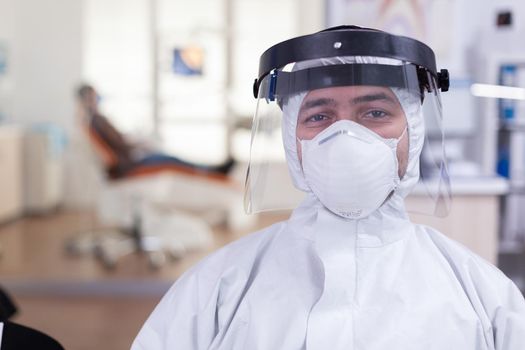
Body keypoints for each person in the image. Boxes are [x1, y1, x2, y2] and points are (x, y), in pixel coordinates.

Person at [131, 25, 525, 349]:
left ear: (413, 131)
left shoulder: (485, 299)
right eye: (319, 115)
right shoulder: (218, 288)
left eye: (375, 112)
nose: (346, 137)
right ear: (292, 140)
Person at [76, 84, 235, 179]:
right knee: (169, 160)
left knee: (168, 158)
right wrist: (135, 145)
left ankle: (212, 170)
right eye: (93, 96)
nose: (97, 98)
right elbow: (115, 152)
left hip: (131, 159)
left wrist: (135, 142)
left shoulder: (96, 120)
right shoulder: (95, 122)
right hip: (130, 165)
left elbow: (119, 141)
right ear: (87, 99)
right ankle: (212, 172)